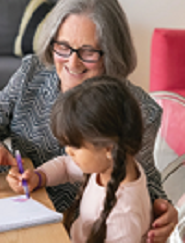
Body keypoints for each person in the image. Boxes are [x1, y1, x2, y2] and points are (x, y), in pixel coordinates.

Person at [0, 0, 178, 242]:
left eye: (88, 52)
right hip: (21, 212)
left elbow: (144, 181)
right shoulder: (32, 73)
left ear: (112, 52)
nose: (72, 63)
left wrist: (163, 210)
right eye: (63, 48)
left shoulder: (138, 109)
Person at [8, 75, 152, 242]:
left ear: (107, 148)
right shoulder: (112, 164)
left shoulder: (123, 215)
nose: (68, 151)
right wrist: (38, 177)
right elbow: (65, 166)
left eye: (75, 146)